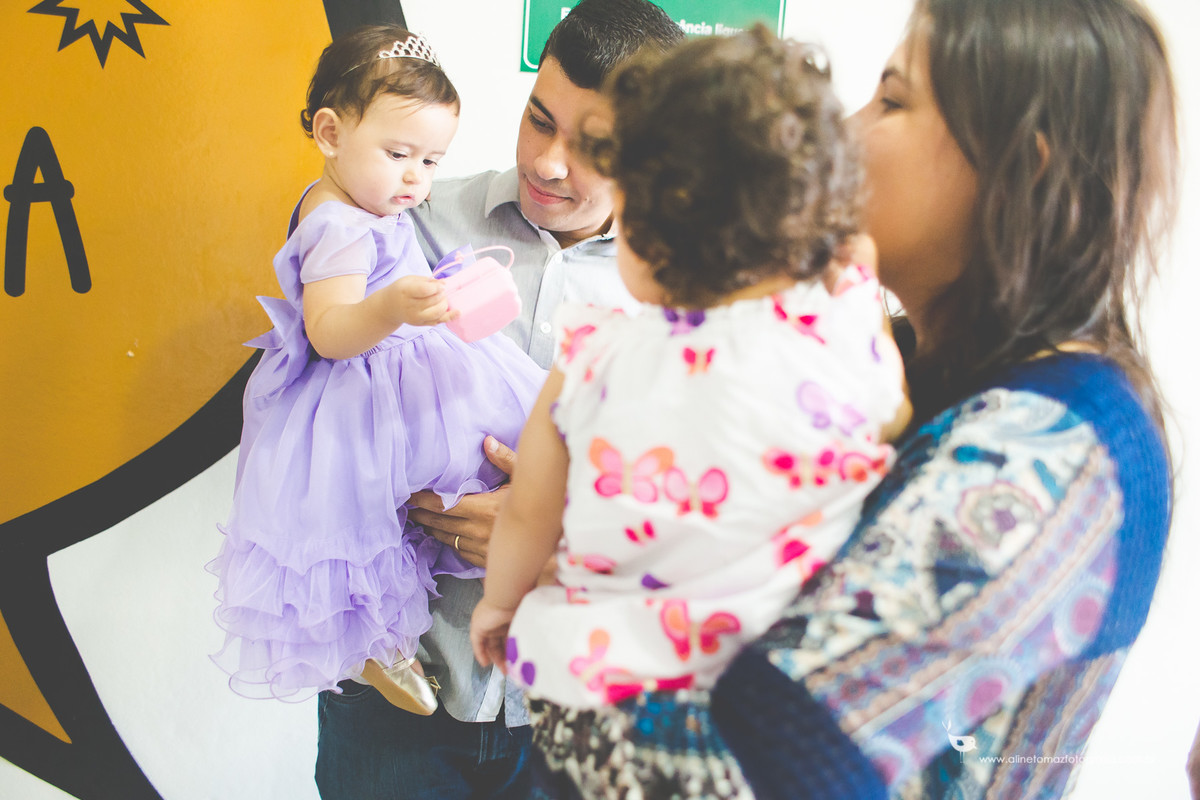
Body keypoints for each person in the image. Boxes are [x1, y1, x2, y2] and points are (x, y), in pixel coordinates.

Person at [527, 0, 1178, 797]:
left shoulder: (1052, 453)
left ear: (1018, 170)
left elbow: (732, 768)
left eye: (893, 101)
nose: (848, 133)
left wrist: (558, 606)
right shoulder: (889, 358)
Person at [468, 21, 909, 783]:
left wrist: (499, 609)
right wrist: (855, 285)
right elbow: (891, 423)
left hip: (596, 709)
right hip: (747, 721)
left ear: (641, 220)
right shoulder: (843, 346)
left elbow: (528, 515)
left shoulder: (593, 356)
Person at [313, 2, 685, 798]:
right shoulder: (404, 219)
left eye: (594, 147)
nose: (549, 164)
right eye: (538, 119)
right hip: (392, 699)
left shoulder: (692, 291)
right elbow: (316, 411)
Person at [208, 24, 544, 716]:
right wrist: (393, 305)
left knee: (484, 452)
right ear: (330, 133)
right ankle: (369, 645)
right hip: (353, 393)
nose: (417, 179)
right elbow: (331, 332)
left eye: (432, 160)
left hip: (388, 377)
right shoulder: (335, 222)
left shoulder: (365, 202)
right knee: (357, 525)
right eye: (399, 154)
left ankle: (416, 626)